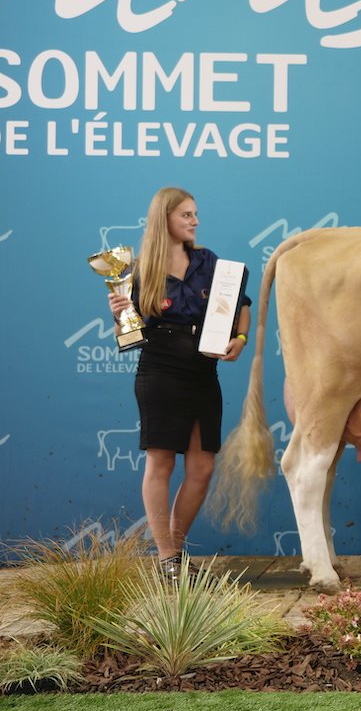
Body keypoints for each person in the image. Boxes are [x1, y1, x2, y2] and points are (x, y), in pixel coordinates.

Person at [107, 187, 251, 581]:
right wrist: (120, 315)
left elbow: (241, 306)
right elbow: (130, 337)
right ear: (164, 218)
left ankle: (175, 553)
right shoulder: (134, 271)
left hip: (203, 372)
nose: (195, 221)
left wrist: (240, 339)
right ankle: (168, 558)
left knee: (202, 467)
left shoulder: (208, 261)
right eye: (186, 214)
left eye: (195, 214)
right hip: (159, 371)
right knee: (162, 462)